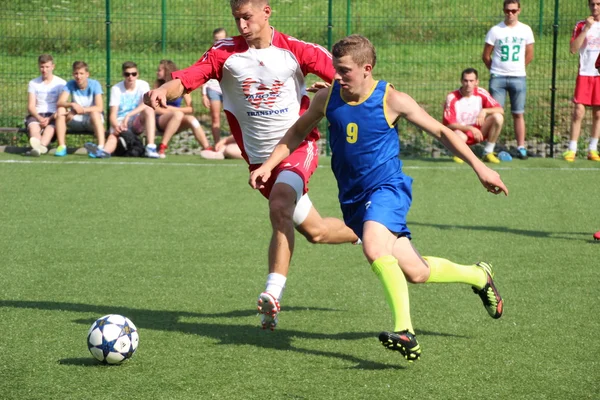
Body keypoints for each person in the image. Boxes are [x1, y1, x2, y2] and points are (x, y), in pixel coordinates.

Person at [250, 35, 507, 362]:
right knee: (416, 272)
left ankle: (406, 332)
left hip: (388, 190)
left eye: (344, 71)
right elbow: (297, 132)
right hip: (355, 201)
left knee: (373, 247)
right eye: (335, 69)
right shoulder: (328, 99)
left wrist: (480, 168)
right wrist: (269, 165)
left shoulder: (392, 99)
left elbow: (442, 132)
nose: (337, 76)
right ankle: (479, 275)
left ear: (366, 69)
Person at [145, 0, 361, 330]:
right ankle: (367, 232)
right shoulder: (224, 54)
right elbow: (187, 79)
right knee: (315, 232)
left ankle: (272, 295)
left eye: (247, 17)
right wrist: (164, 89)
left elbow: (355, 81)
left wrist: (336, 88)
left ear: (266, 11)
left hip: (298, 146)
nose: (242, 26)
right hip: (260, 161)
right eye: (237, 19)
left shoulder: (297, 51)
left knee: (280, 204)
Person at [482, 0, 534, 160]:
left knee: (518, 113)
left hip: (518, 77)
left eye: (513, 11)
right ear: (504, 11)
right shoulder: (495, 30)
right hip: (498, 78)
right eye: (507, 11)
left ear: (519, 10)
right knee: (496, 114)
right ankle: (488, 149)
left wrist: (518, 68)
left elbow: (530, 54)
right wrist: (495, 70)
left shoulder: (525, 30)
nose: (510, 14)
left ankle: (521, 147)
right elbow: (486, 55)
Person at [84, 61, 158, 158]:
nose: (130, 77)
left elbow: (146, 104)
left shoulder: (143, 85)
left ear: (137, 74)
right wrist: (116, 126)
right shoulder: (116, 89)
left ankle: (150, 147)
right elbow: (113, 114)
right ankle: (104, 152)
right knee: (113, 136)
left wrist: (129, 115)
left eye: (133, 74)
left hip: (137, 121)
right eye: (127, 74)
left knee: (149, 109)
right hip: (121, 122)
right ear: (123, 74)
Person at [563, 0, 600, 162]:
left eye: (598, 4)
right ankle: (572, 149)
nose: (595, 7)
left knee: (598, 113)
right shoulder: (581, 25)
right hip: (585, 73)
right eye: (592, 4)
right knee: (578, 112)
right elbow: (573, 49)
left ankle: (592, 149)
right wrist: (586, 29)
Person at [443, 68, 504, 164]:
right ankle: (459, 154)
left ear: (476, 82)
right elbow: (449, 125)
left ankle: (488, 152)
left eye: (471, 81)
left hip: (479, 133)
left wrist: (485, 111)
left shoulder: (481, 93)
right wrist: (470, 128)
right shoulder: (452, 97)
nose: (468, 84)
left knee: (498, 117)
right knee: (461, 136)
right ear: (461, 81)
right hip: (461, 134)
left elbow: (500, 110)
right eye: (466, 81)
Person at [154, 59, 211, 159]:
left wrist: (173, 109)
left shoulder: (180, 85)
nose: (157, 72)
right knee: (178, 115)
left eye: (159, 70)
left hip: (176, 119)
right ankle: (162, 147)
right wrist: (172, 111)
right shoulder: (158, 86)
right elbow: (156, 109)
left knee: (191, 119)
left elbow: (190, 109)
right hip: (160, 119)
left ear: (167, 71)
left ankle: (207, 148)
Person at [55, 61, 105, 157]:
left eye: (81, 73)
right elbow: (60, 102)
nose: (78, 76)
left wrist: (82, 110)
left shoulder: (95, 84)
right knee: (61, 110)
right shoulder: (70, 84)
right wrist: (72, 105)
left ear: (87, 74)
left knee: (95, 113)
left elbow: (99, 107)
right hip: (76, 119)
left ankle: (100, 148)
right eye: (76, 73)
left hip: (91, 121)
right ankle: (62, 147)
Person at [24, 54, 66, 157]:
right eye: (42, 67)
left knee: (50, 129)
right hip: (37, 114)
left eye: (47, 67)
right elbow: (31, 106)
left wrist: (49, 118)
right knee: (34, 128)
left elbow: (62, 105)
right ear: (39, 67)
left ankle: (39, 147)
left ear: (53, 67)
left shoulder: (61, 83)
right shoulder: (33, 83)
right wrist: (39, 118)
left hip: (53, 115)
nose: (44, 70)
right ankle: (38, 148)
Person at [202, 28, 228, 145]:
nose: (219, 41)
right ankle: (217, 145)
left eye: (221, 39)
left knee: (234, 119)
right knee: (215, 118)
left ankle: (235, 145)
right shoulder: (209, 54)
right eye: (217, 39)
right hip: (213, 89)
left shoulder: (231, 54)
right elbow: (203, 75)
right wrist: (204, 94)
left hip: (228, 90)